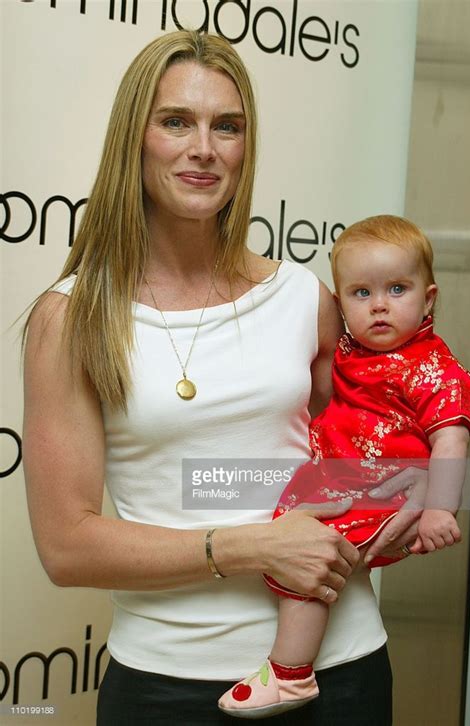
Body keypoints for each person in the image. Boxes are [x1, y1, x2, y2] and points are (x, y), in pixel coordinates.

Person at [23, 31, 429, 726]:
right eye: (176, 121)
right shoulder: (74, 316)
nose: (204, 147)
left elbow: (376, 458)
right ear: (136, 138)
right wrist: (255, 544)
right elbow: (66, 546)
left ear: (247, 146)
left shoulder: (306, 297)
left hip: (344, 671)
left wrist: (409, 504)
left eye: (228, 126)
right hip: (170, 686)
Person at [218, 215, 470, 719]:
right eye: (361, 293)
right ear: (339, 303)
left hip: (381, 490)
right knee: (297, 552)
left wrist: (440, 509)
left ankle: (290, 673)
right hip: (340, 479)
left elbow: (451, 440)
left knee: (308, 567)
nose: (379, 305)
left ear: (429, 299)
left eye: (397, 289)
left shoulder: (433, 369)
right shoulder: (353, 349)